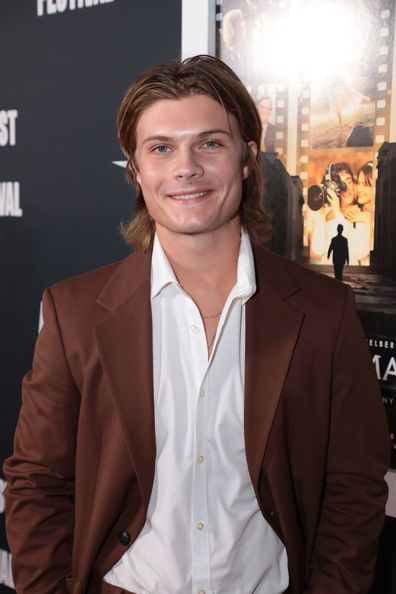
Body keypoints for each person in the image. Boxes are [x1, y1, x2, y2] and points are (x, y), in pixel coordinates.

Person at [4, 55, 389, 594]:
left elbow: (354, 484)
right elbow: (38, 483)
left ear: (248, 159)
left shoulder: (325, 312)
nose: (186, 168)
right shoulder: (74, 313)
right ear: (137, 172)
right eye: (161, 148)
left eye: (210, 143)